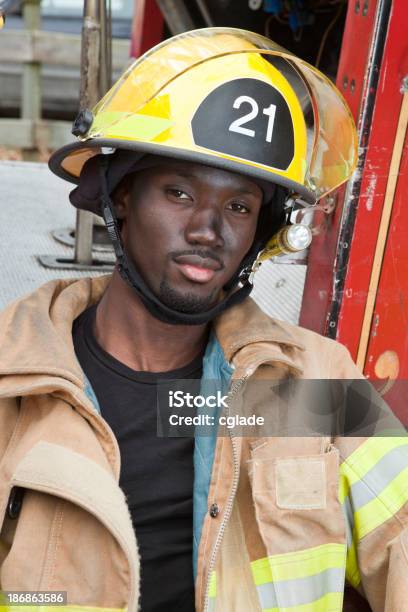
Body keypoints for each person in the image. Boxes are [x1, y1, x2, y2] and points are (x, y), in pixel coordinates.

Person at [0, 27, 407, 612]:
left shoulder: (311, 380)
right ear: (119, 197)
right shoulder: (21, 383)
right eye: (179, 193)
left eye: (238, 206)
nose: (207, 231)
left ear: (260, 235)